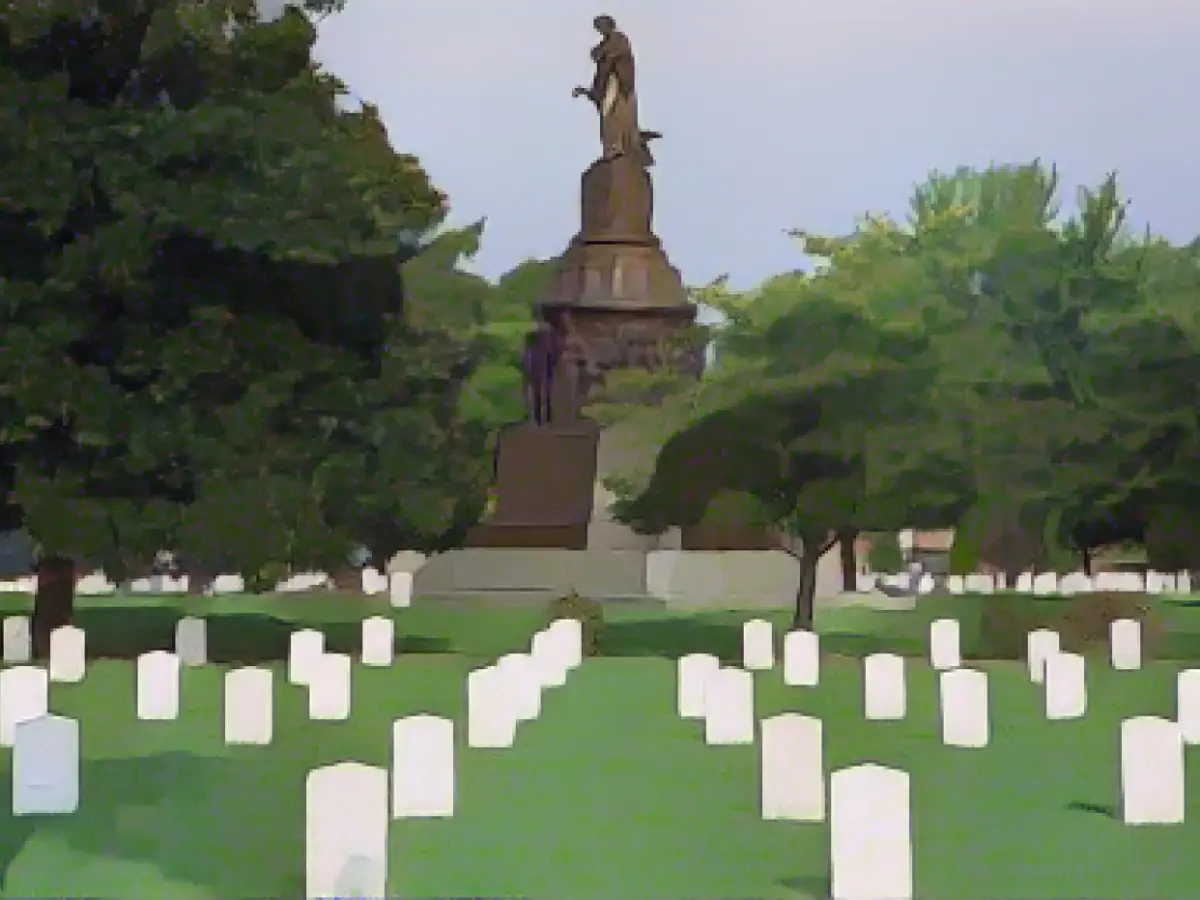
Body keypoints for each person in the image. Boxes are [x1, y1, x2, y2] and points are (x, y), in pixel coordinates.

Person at [572, 15, 659, 167]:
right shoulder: (607, 45)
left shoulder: (618, 40)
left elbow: (608, 56)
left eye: (601, 26)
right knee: (610, 115)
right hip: (611, 86)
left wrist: (599, 53)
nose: (599, 30)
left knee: (616, 115)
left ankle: (618, 147)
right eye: (598, 27)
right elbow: (600, 69)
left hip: (620, 85)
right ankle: (616, 148)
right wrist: (588, 91)